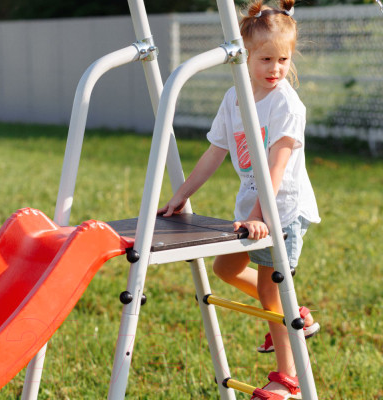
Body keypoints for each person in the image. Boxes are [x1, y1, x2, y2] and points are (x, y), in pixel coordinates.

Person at [158, 0, 321, 398]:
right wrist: (181, 194)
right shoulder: (235, 100)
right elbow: (215, 152)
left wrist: (259, 215)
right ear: (245, 56)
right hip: (251, 209)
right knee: (226, 269)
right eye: (266, 59)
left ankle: (288, 378)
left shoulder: (286, 104)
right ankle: (294, 313)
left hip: (279, 211)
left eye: (283, 59)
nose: (276, 69)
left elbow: (275, 171)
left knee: (270, 291)